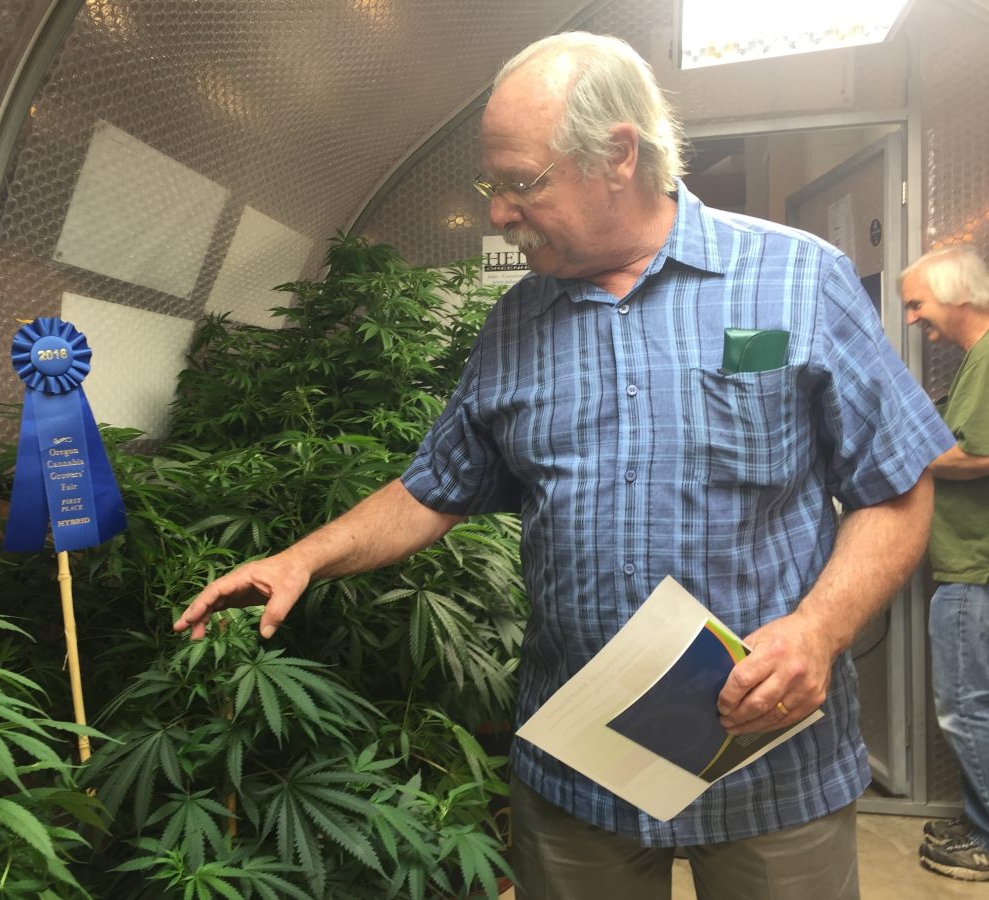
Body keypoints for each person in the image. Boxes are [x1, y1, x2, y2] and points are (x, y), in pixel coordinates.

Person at [175, 31, 954, 899]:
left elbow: (896, 489)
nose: (499, 213)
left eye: (522, 182)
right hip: (583, 773)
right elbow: (433, 489)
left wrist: (818, 631)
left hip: (769, 762)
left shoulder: (798, 279)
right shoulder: (514, 324)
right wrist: (302, 558)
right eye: (492, 186)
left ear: (618, 154)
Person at [898, 246, 989, 882]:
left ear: (957, 297)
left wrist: (908, 451)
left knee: (965, 707)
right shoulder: (974, 361)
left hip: (973, 569)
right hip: (972, 564)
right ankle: (977, 820)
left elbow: (979, 455)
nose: (911, 318)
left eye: (916, 303)